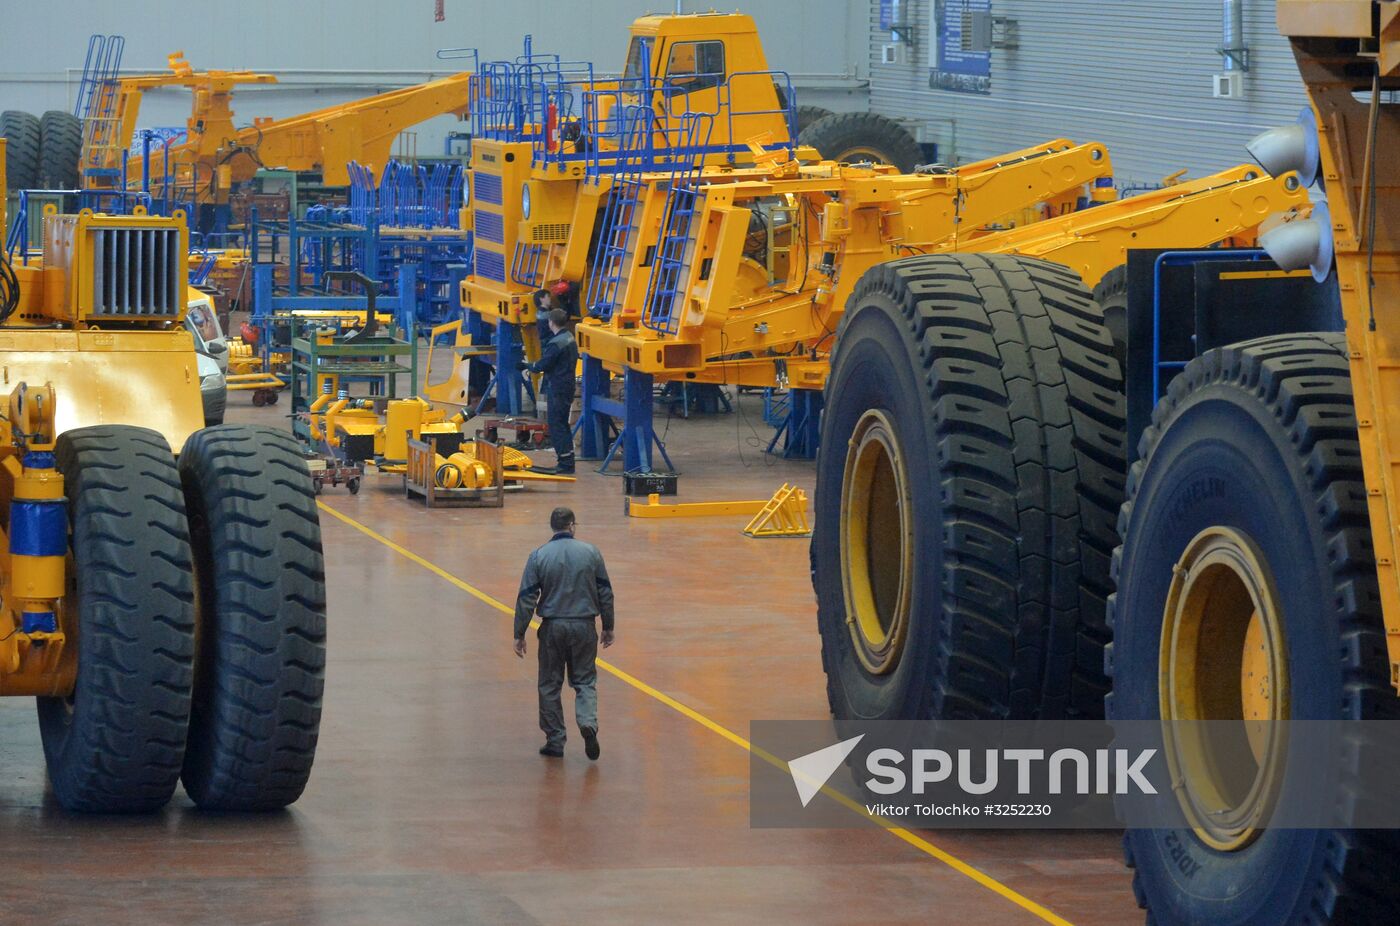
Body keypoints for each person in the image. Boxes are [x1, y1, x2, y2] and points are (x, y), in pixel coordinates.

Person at [513, 506, 615, 759]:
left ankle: (555, 740)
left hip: (553, 628)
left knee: (549, 684)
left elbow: (527, 598)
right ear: (571, 526)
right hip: (584, 626)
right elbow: (605, 592)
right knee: (585, 681)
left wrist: (519, 633)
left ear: (553, 527)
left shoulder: (538, 556)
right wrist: (608, 626)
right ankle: (588, 723)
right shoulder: (591, 553)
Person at [519, 307, 579, 474]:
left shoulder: (556, 344)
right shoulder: (569, 337)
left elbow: (543, 365)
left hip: (558, 388)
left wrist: (526, 365)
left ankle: (565, 464)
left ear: (551, 322)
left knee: (556, 425)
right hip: (567, 385)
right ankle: (568, 460)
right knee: (562, 424)